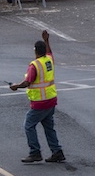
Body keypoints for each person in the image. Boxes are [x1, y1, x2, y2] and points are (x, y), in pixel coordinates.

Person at [9, 30, 65, 163]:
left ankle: (35, 152)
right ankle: (57, 151)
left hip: (40, 102)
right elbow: (50, 52)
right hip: (51, 100)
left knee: (29, 125)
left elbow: (28, 82)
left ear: (35, 51)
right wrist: (47, 40)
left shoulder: (34, 65)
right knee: (48, 127)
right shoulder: (48, 60)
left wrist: (16, 86)